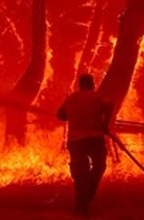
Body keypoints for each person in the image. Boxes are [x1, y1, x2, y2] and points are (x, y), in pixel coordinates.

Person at [57, 74, 114, 216]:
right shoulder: (96, 97)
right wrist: (105, 124)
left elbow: (60, 115)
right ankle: (87, 198)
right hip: (94, 138)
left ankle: (81, 203)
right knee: (99, 166)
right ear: (92, 84)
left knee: (80, 173)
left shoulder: (71, 98)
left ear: (80, 84)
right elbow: (110, 105)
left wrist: (73, 116)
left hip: (75, 140)